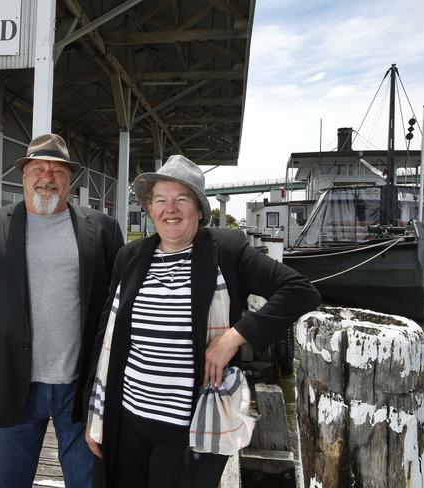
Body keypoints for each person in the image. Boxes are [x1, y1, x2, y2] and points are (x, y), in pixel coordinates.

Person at [85, 155, 320, 487]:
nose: (171, 209)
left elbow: (300, 291)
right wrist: (96, 416)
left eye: (182, 199)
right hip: (127, 422)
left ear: (198, 208)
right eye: (161, 200)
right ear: (150, 209)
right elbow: (104, 337)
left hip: (189, 429)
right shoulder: (131, 257)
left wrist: (234, 337)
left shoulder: (226, 251)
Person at [0, 133, 124, 487]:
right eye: (38, 168)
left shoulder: (102, 228)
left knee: (90, 482)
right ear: (23, 176)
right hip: (13, 382)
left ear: (70, 179)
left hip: (81, 386)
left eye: (57, 170)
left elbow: (120, 306)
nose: (47, 176)